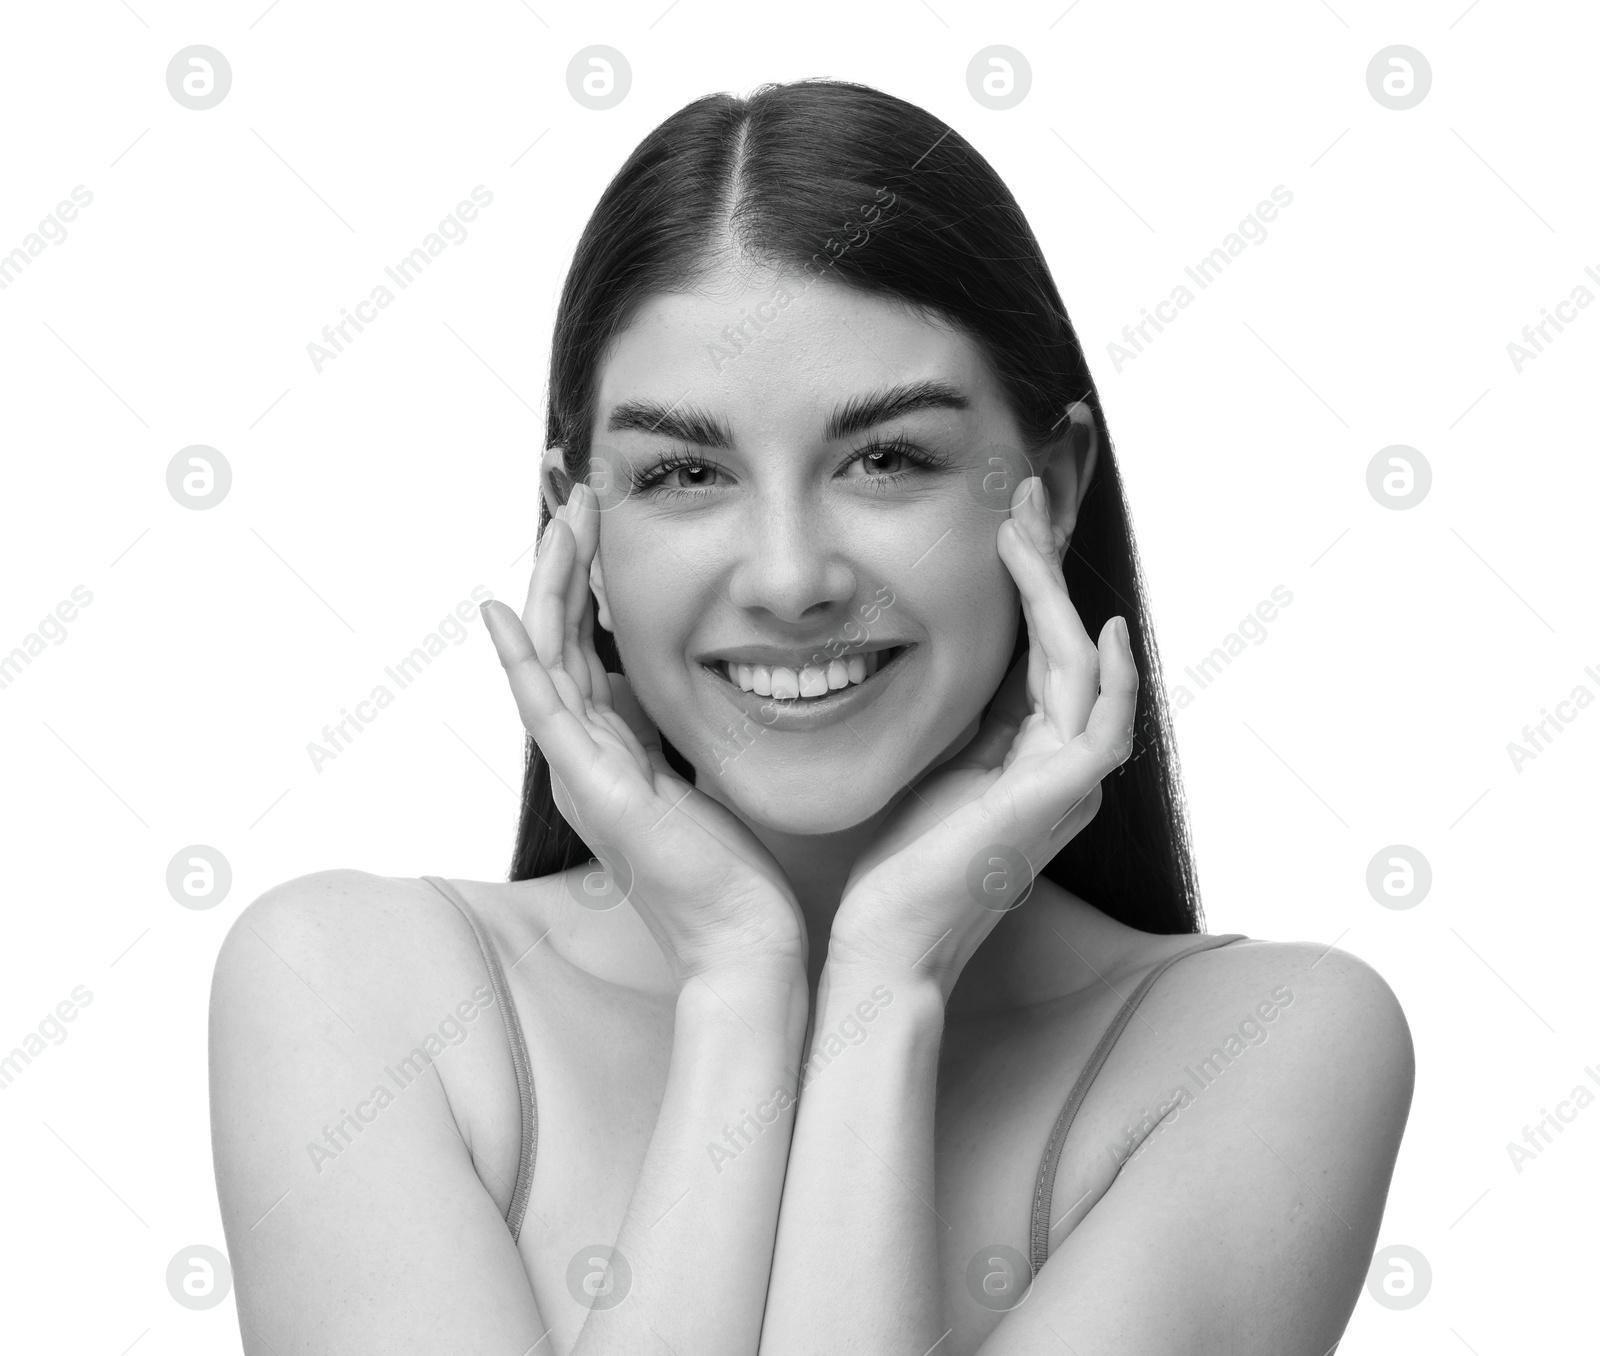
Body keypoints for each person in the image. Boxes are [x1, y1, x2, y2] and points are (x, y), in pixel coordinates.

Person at [210, 79, 1413, 1355]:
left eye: (885, 460)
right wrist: (738, 982)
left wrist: (885, 990)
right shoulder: (345, 988)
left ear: (1046, 493)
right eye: (682, 473)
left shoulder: (1268, 1051)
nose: (789, 579)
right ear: (583, 530)